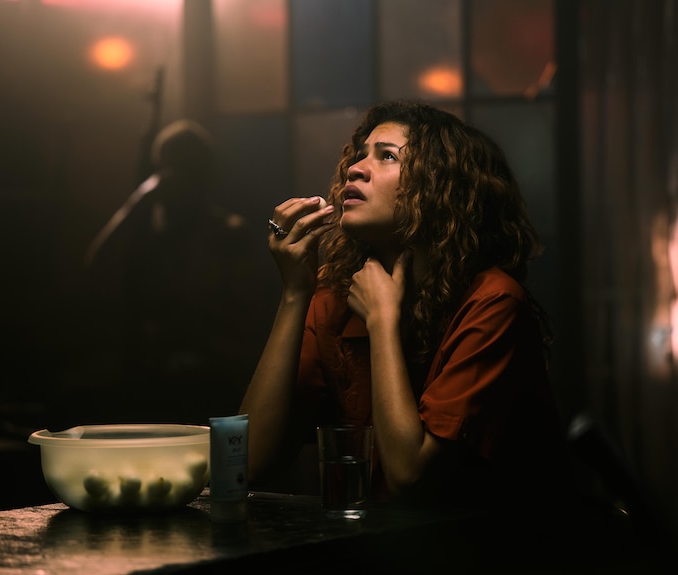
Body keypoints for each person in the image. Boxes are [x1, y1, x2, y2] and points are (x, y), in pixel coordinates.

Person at [239, 101, 578, 523]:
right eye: (359, 154)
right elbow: (247, 464)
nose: (355, 169)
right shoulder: (336, 297)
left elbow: (410, 481)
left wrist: (382, 322)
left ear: (441, 189)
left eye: (387, 156)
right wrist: (295, 293)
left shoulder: (493, 302)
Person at [81, 119, 270, 424]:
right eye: (169, 171)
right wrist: (139, 203)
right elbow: (97, 269)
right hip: (152, 381)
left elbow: (251, 323)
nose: (176, 182)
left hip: (212, 384)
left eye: (186, 172)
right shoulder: (151, 239)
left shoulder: (229, 236)